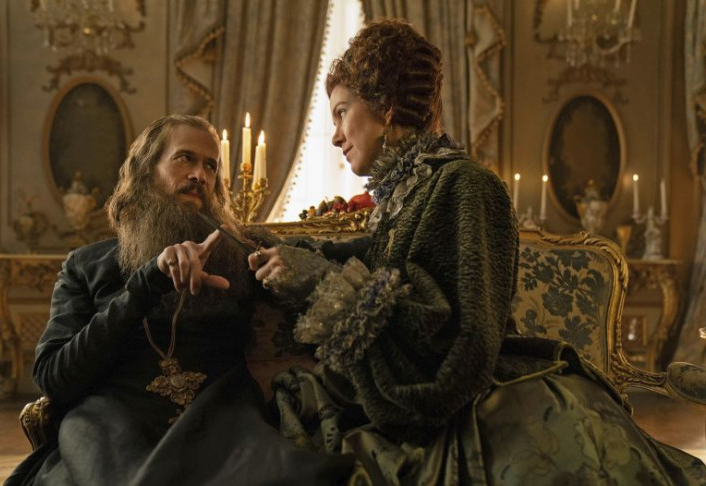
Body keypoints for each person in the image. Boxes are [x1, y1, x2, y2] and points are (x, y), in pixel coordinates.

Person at [248, 20, 706, 485]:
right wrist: (262, 245)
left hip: (493, 408)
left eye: (342, 113)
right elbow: (357, 254)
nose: (335, 136)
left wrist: (323, 280)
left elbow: (466, 345)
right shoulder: (405, 197)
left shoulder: (466, 185)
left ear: (386, 107)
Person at [6, 114, 353, 485]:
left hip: (220, 426)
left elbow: (342, 254)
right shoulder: (86, 265)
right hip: (112, 431)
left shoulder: (242, 252)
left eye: (210, 166)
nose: (199, 175)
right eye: (185, 158)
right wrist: (147, 283)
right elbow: (54, 377)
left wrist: (296, 264)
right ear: (146, 170)